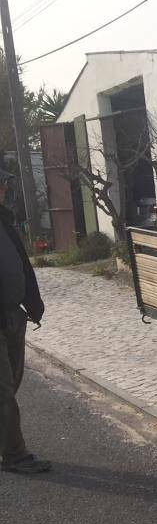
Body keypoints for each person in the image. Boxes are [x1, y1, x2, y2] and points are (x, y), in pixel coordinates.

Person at [0, 169, 50, 474]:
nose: (5, 188)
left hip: (11, 313)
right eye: (2, 183)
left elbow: (20, 261)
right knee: (2, 389)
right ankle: (14, 455)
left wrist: (30, 303)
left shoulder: (4, 218)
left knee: (12, 381)